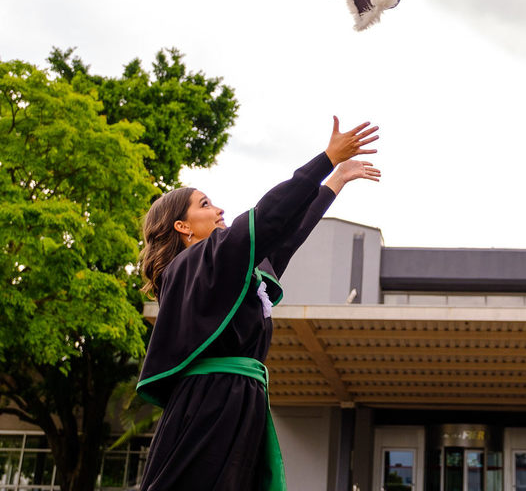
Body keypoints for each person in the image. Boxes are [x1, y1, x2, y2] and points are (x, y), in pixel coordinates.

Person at [136, 117, 381, 491]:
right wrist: (326, 159)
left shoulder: (223, 267)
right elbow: (269, 217)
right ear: (182, 227)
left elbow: (287, 235)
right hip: (211, 402)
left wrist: (336, 180)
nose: (218, 210)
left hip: (238, 398)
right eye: (205, 204)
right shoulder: (194, 263)